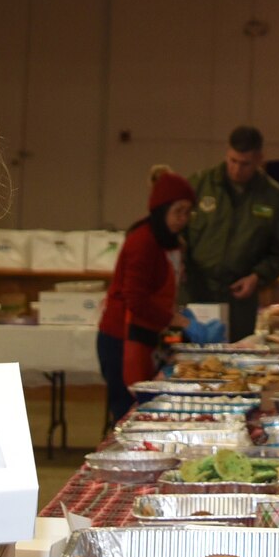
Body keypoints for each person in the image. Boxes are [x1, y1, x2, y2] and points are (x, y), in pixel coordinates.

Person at [96, 165, 196, 421]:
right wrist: (177, 320)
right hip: (121, 339)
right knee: (127, 411)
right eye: (177, 212)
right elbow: (135, 298)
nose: (182, 219)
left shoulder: (170, 241)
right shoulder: (142, 241)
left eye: (187, 212)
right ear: (162, 210)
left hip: (145, 336)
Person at [179, 125, 279, 340]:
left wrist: (258, 276)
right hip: (195, 291)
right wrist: (178, 261)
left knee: (234, 364)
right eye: (232, 161)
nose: (236, 169)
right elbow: (176, 231)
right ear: (226, 152)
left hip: (238, 297)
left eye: (245, 164)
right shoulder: (199, 185)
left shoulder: (273, 197)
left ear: (260, 159)